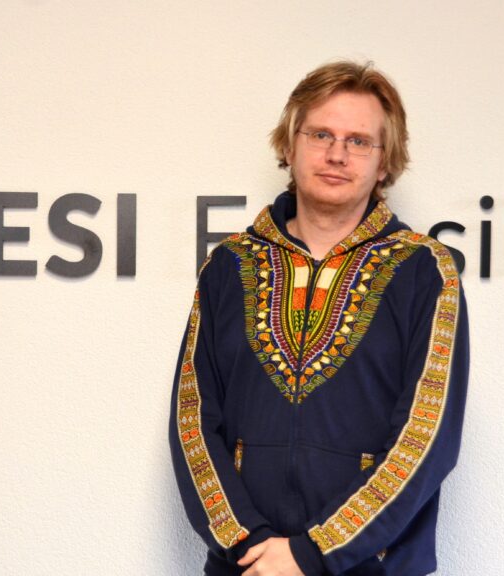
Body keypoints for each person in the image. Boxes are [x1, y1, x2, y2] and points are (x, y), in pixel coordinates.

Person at [169, 61, 470, 576]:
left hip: (372, 568)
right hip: (248, 567)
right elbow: (192, 419)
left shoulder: (424, 270)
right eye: (321, 134)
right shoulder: (229, 265)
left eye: (359, 141)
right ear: (290, 146)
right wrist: (248, 543)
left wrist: (314, 552)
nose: (336, 154)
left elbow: (428, 436)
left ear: (384, 163)